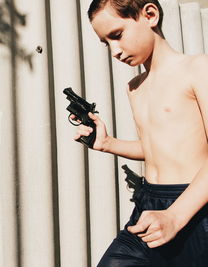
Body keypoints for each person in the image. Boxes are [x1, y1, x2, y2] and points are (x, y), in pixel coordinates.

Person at [73, 0, 208, 265]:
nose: (114, 51)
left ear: (150, 15)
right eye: (106, 43)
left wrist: (175, 216)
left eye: (117, 35)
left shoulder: (198, 68)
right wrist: (108, 143)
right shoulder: (135, 87)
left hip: (196, 207)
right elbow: (156, 148)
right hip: (149, 205)